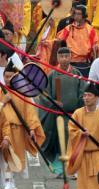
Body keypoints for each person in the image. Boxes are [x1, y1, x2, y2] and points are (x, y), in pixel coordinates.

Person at [0, 63, 46, 189]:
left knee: (15, 156)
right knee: (5, 155)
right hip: (3, 128)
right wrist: (3, 101)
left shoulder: (23, 92)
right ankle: (7, 181)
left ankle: (11, 181)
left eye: (11, 77)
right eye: (6, 76)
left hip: (17, 128)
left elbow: (29, 111)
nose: (8, 79)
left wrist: (31, 129)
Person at [36, 46, 85, 175]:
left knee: (73, 140)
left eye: (66, 56)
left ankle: (73, 168)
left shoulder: (76, 73)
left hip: (73, 114)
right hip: (57, 115)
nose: (64, 59)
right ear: (57, 58)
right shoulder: (53, 74)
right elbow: (44, 94)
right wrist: (53, 102)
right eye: (61, 57)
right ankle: (60, 169)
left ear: (71, 57)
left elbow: (82, 92)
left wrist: (79, 104)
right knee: (58, 142)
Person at [55, 5, 99, 75]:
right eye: (75, 13)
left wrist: (96, 48)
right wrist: (47, 43)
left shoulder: (90, 30)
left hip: (84, 64)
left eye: (79, 14)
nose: (76, 16)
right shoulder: (68, 28)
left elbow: (96, 45)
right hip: (69, 62)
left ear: (84, 16)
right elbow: (57, 41)